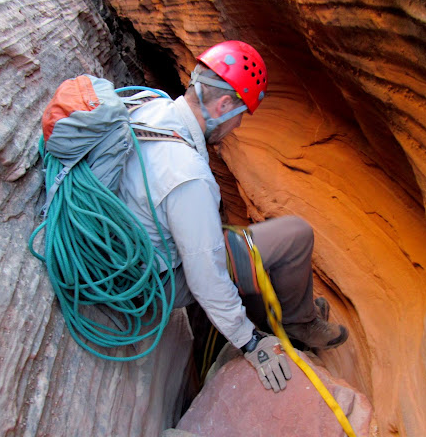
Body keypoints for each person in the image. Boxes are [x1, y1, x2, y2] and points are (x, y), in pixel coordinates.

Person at [117, 41, 348, 392]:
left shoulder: (151, 107)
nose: (238, 125)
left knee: (239, 244)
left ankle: (274, 310)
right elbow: (206, 276)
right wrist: (251, 343)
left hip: (130, 248)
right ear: (223, 105)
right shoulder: (188, 176)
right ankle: (298, 324)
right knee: (294, 236)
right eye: (240, 113)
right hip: (157, 281)